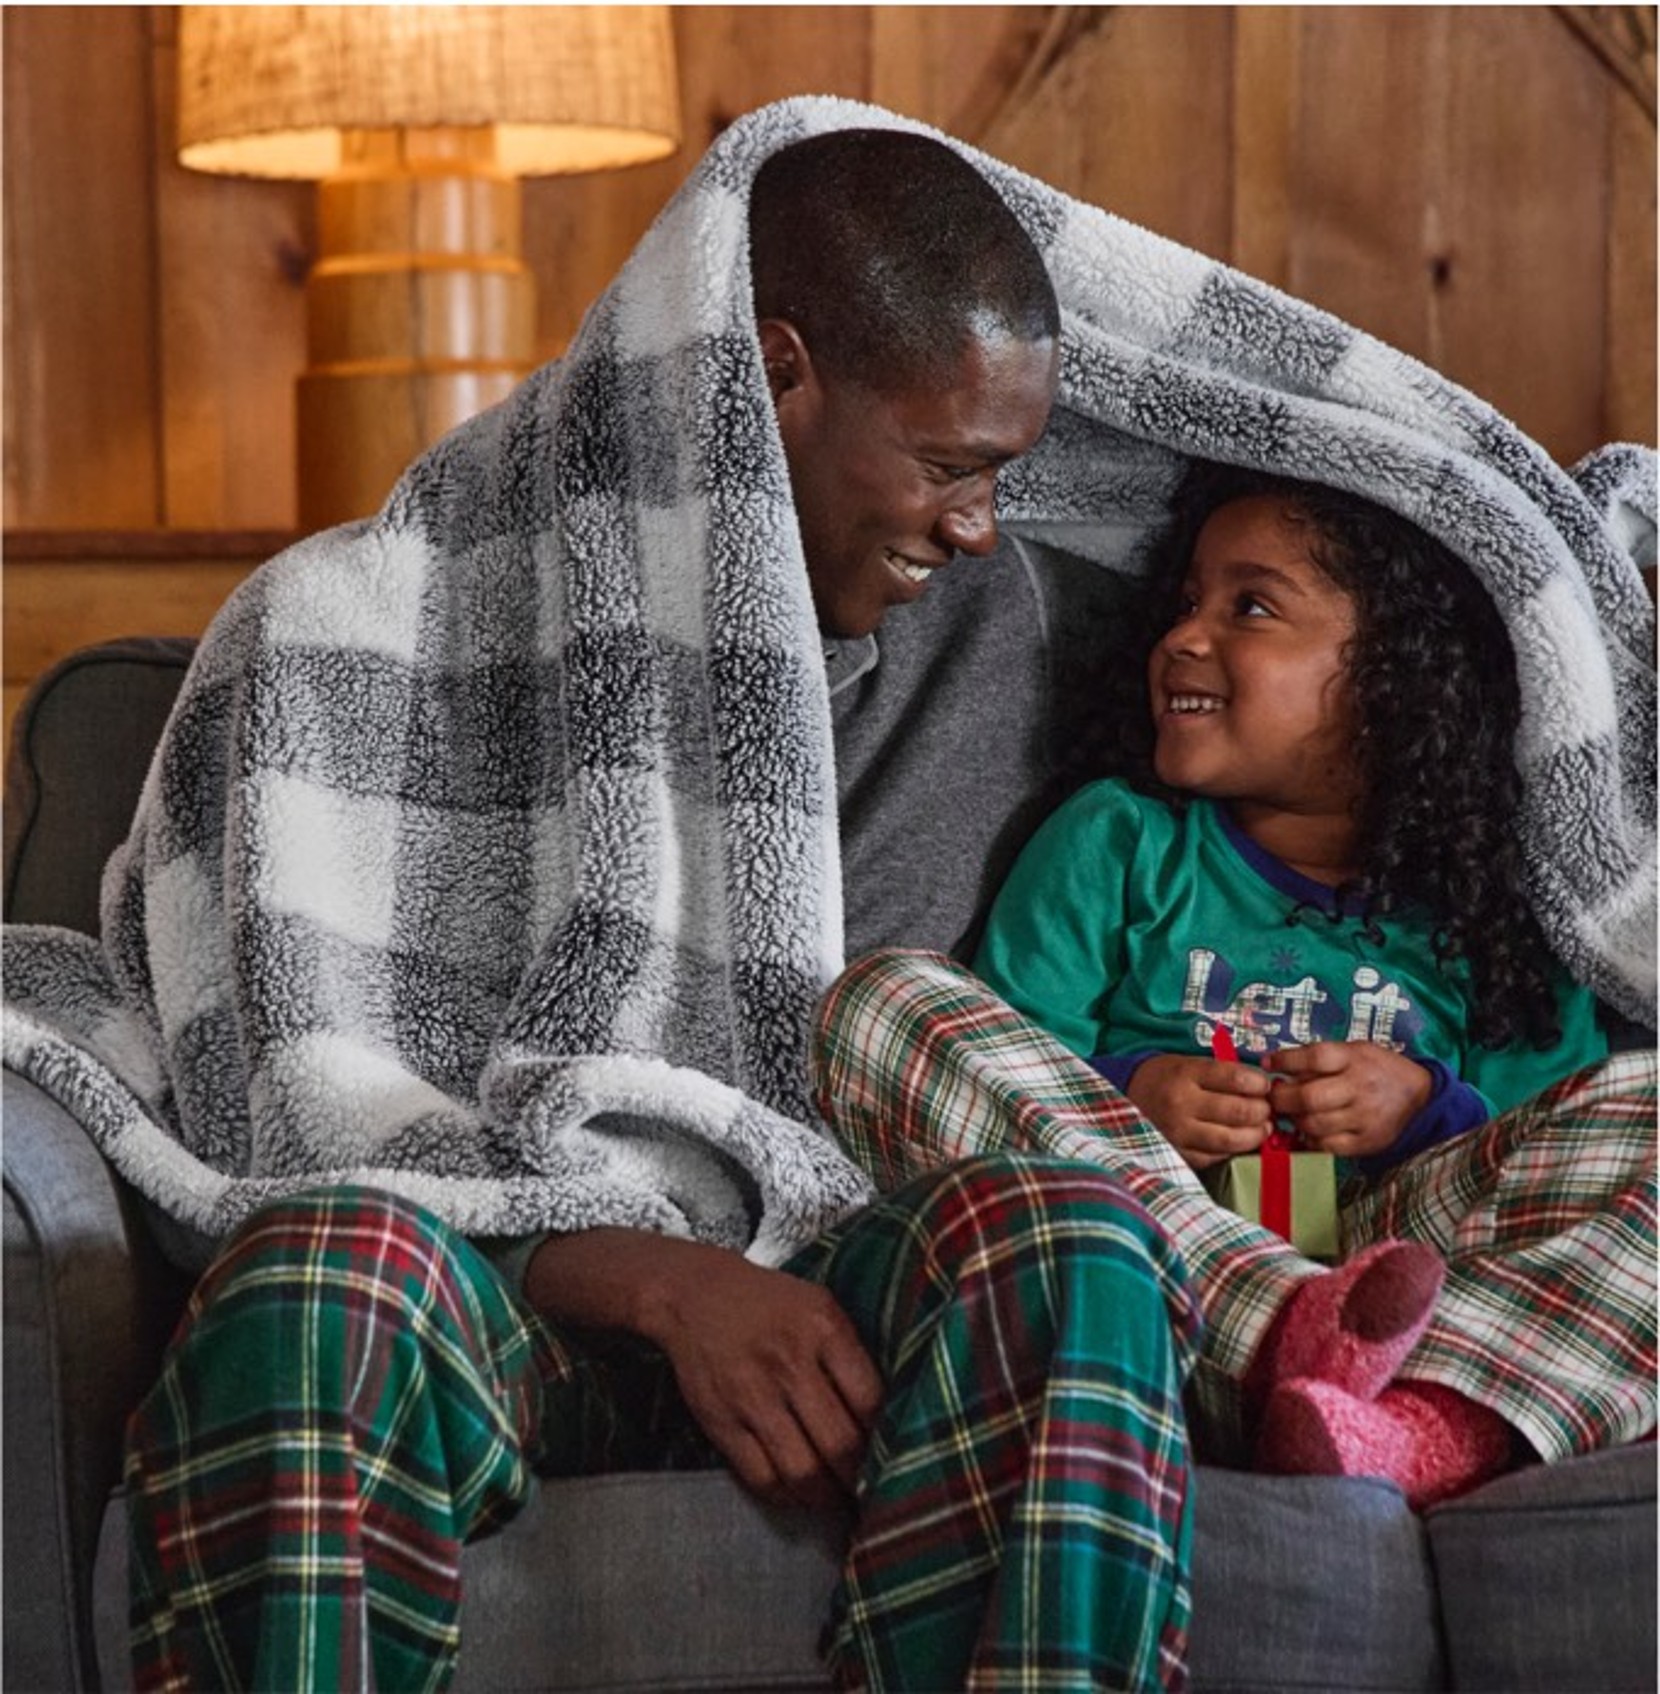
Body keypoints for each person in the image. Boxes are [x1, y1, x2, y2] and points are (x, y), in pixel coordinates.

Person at [76, 127, 1203, 1693]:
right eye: (947, 465)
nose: (980, 525)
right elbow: (298, 1110)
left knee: (1073, 1236)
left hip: (852, 1291)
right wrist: (670, 1285)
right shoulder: (347, 633)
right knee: (317, 1275)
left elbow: (1339, 514)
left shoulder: (1018, 632)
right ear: (776, 373)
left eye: (1005, 471)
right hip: (497, 1303)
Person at [814, 464, 1657, 1510]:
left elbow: (1541, 1143)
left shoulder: (1484, 915)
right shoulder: (1119, 839)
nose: (1183, 638)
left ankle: (1425, 1430)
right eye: (1184, 604)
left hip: (1403, 1265)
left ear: (1399, 674)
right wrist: (1130, 1089)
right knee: (889, 1001)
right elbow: (1006, 1055)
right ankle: (1282, 1337)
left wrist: (1424, 1106)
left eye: (1250, 606)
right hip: (1149, 1275)